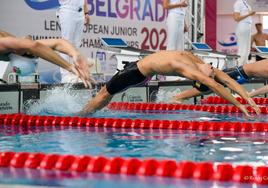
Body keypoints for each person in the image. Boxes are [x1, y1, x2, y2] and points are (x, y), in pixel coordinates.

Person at [80, 51, 260, 117]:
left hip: (136, 73)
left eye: (210, 76)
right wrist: (246, 99)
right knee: (106, 95)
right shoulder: (200, 63)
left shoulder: (192, 69)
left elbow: (218, 86)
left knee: (104, 94)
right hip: (138, 68)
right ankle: (90, 112)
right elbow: (227, 80)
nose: (213, 71)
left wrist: (239, 105)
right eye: (212, 72)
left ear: (200, 79)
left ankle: (81, 116)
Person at [0, 30, 93, 88]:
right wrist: (69, 67)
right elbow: (33, 45)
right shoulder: (5, 44)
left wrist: (75, 54)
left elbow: (58, 43)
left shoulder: (18, 46)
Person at [172, 58, 268, 101]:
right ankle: (177, 97)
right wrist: (249, 95)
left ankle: (179, 97)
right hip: (239, 73)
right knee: (206, 87)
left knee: (208, 89)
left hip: (242, 75)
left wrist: (249, 95)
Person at [57, 0, 90, 83]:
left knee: (76, 45)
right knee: (66, 43)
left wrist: (86, 13)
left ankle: (75, 73)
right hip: (68, 9)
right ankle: (65, 75)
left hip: (80, 12)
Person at [233, 0, 255, 66]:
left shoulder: (245, 3)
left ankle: (244, 66)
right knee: (242, 49)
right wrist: (249, 14)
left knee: (247, 49)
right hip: (243, 25)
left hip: (248, 26)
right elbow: (236, 18)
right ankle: (239, 67)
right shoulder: (238, 3)